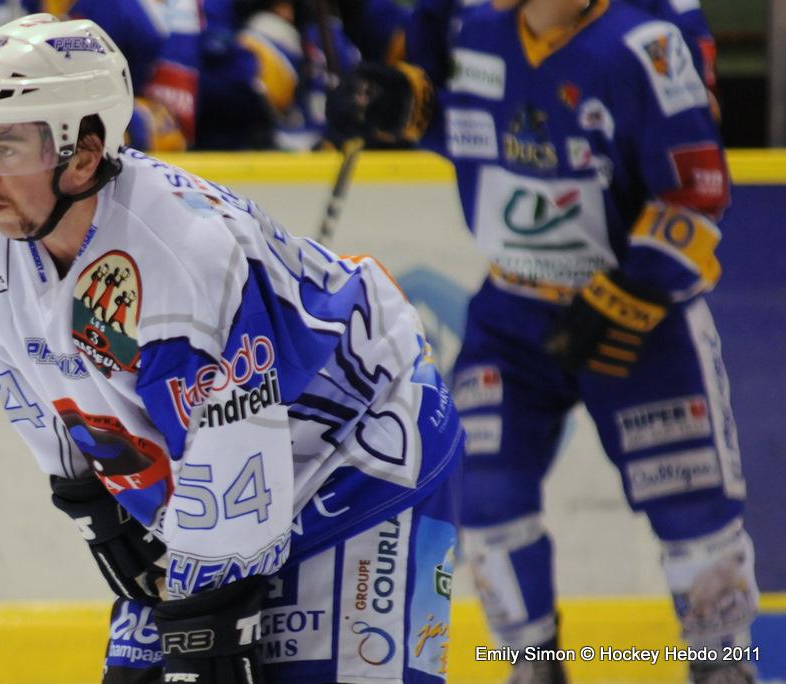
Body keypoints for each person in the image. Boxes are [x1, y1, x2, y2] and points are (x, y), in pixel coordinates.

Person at [0, 13, 464, 684]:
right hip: (229, 471)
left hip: (364, 450)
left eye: (8, 148)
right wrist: (93, 503)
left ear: (85, 156)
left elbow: (234, 471)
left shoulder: (181, 257)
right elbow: (26, 384)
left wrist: (205, 620)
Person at [325, 1, 759, 683]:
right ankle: (533, 667)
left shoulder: (646, 49)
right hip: (512, 316)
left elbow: (697, 193)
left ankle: (722, 667)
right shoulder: (477, 26)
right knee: (484, 497)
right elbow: (459, 124)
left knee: (692, 510)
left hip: (641, 323)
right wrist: (397, 102)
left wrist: (629, 295)